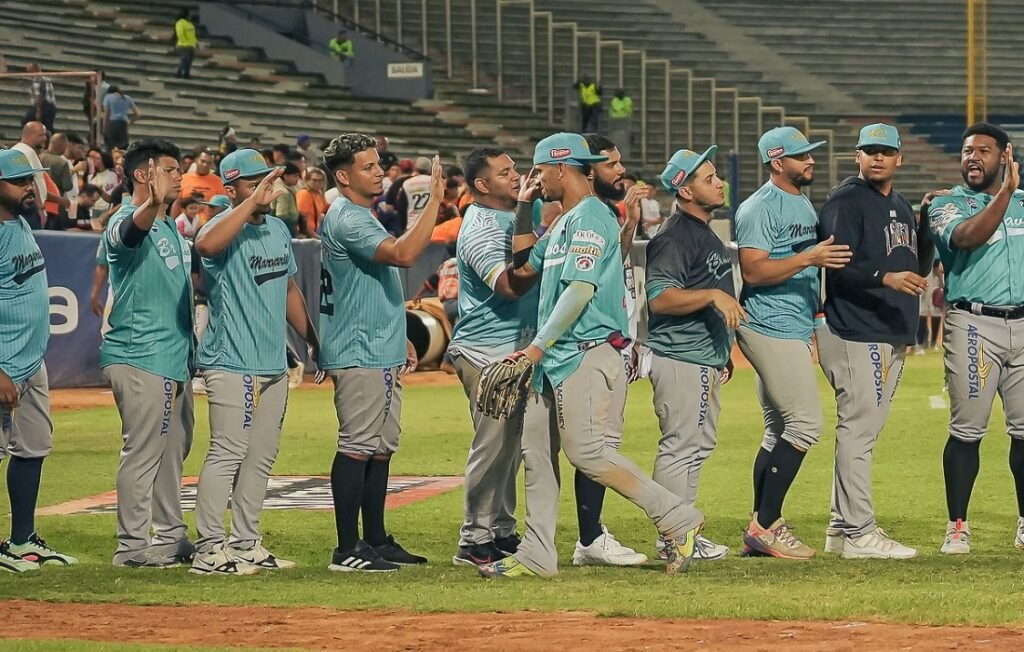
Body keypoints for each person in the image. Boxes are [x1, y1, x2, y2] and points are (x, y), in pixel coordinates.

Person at [478, 133, 705, 578]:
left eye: (540, 171)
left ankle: (677, 516)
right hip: (553, 357)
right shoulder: (563, 222)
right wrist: (524, 207)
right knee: (537, 456)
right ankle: (537, 553)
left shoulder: (592, 218)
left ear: (562, 168)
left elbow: (581, 289)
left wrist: (536, 346)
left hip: (585, 351)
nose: (536, 178)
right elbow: (523, 265)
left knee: (588, 454)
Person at [189, 149, 319, 575]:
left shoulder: (279, 230)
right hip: (231, 361)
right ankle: (209, 547)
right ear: (231, 190)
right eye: (254, 182)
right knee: (227, 452)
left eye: (268, 179)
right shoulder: (220, 227)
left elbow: (288, 289)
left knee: (261, 456)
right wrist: (247, 204)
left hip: (272, 363)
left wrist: (313, 340)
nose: (266, 186)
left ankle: (246, 542)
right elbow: (205, 245)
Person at [318, 133, 443, 572]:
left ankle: (373, 538)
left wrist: (398, 334)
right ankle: (346, 548)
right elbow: (405, 255)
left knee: (380, 447)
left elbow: (375, 281)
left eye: (378, 164)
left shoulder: (359, 215)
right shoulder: (349, 217)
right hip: (358, 348)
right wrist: (434, 203)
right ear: (343, 175)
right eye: (368, 166)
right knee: (356, 446)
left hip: (378, 343)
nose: (379, 172)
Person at [817, 123, 935, 560]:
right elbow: (834, 262)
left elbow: (915, 264)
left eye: (886, 151)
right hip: (855, 329)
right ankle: (859, 533)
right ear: (857, 156)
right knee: (859, 430)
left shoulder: (900, 203)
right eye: (870, 151)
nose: (878, 158)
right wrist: (883, 277)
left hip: (889, 331)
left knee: (865, 431)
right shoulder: (847, 201)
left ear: (899, 158)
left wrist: (923, 226)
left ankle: (839, 526)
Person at [734, 126, 851, 560]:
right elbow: (755, 272)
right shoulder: (758, 207)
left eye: (811, 153)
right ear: (777, 162)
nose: (811, 161)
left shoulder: (799, 200)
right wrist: (810, 257)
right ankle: (767, 526)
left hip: (793, 323)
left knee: (778, 431)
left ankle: (759, 525)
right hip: (770, 324)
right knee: (805, 425)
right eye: (801, 155)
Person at [927, 122, 1024, 555]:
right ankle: (957, 524)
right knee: (967, 430)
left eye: (984, 150)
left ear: (1005, 155)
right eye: (967, 150)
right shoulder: (947, 204)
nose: (973, 157)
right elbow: (967, 237)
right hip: (974, 325)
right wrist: (1005, 194)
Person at [102, 139, 195, 568]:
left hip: (172, 357)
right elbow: (127, 237)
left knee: (172, 451)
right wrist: (149, 207)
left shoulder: (169, 226)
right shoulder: (126, 219)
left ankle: (172, 535)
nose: (180, 176)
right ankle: (131, 547)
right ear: (144, 175)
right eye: (172, 169)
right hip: (141, 354)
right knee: (142, 452)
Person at [646, 145, 738, 564]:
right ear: (684, 191)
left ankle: (683, 532)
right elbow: (661, 299)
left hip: (702, 356)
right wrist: (715, 296)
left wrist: (723, 349)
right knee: (681, 446)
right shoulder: (675, 236)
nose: (718, 182)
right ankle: (673, 535)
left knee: (696, 447)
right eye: (707, 178)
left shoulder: (701, 231)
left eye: (716, 175)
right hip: (682, 358)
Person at [447, 147, 531, 566]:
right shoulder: (480, 226)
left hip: (510, 350)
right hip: (485, 350)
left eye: (514, 168)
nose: (516, 176)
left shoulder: (509, 218)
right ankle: (473, 537)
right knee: (492, 443)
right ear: (482, 185)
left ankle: (500, 529)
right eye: (505, 172)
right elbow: (509, 286)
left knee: (510, 446)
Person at [0, 149, 78, 573]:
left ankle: (22, 541)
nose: (30, 187)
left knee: (33, 449)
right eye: (19, 181)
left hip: (31, 360)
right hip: (4, 366)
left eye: (31, 180)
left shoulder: (22, 223)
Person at [179, 150, 226, 220]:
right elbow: (177, 204)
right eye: (203, 161)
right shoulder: (183, 179)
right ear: (195, 160)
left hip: (209, 223)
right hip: (186, 224)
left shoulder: (218, 181)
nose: (205, 165)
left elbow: (223, 205)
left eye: (209, 162)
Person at [395, 156, 433, 234]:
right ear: (430, 169)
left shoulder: (407, 183)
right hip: (431, 225)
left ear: (415, 168)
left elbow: (402, 207)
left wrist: (403, 227)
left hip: (412, 225)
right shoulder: (435, 182)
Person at [86, 147, 119, 220]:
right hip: (93, 208)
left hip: (106, 208)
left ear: (104, 160)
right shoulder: (90, 177)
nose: (94, 160)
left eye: (97, 158)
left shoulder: (113, 175)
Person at [23, 64, 57, 133]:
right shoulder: (45, 78)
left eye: (29, 72)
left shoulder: (38, 79)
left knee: (26, 121)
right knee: (47, 125)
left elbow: (40, 95)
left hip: (44, 105)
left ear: (34, 70)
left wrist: (38, 110)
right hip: (50, 106)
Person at [271, 163, 303, 236]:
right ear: (285, 176)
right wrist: (294, 234)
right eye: (295, 176)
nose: (297, 179)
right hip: (285, 230)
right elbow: (282, 216)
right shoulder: (283, 192)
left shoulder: (287, 188)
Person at [296, 167, 328, 234]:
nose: (317, 183)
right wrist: (313, 236)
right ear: (307, 180)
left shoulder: (319, 194)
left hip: (315, 231)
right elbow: (301, 218)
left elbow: (326, 208)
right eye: (314, 180)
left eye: (320, 180)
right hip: (305, 233)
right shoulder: (304, 194)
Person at [607, 90, 633, 159]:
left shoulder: (627, 100)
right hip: (615, 120)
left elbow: (627, 108)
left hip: (625, 120)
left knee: (625, 140)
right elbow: (617, 108)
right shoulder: (615, 100)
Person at [174, 10, 198, 79]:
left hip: (191, 45)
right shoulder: (180, 22)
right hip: (184, 45)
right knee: (184, 59)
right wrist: (184, 41)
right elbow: (180, 33)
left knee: (189, 61)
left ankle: (186, 74)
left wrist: (196, 43)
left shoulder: (190, 23)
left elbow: (192, 35)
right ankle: (179, 73)